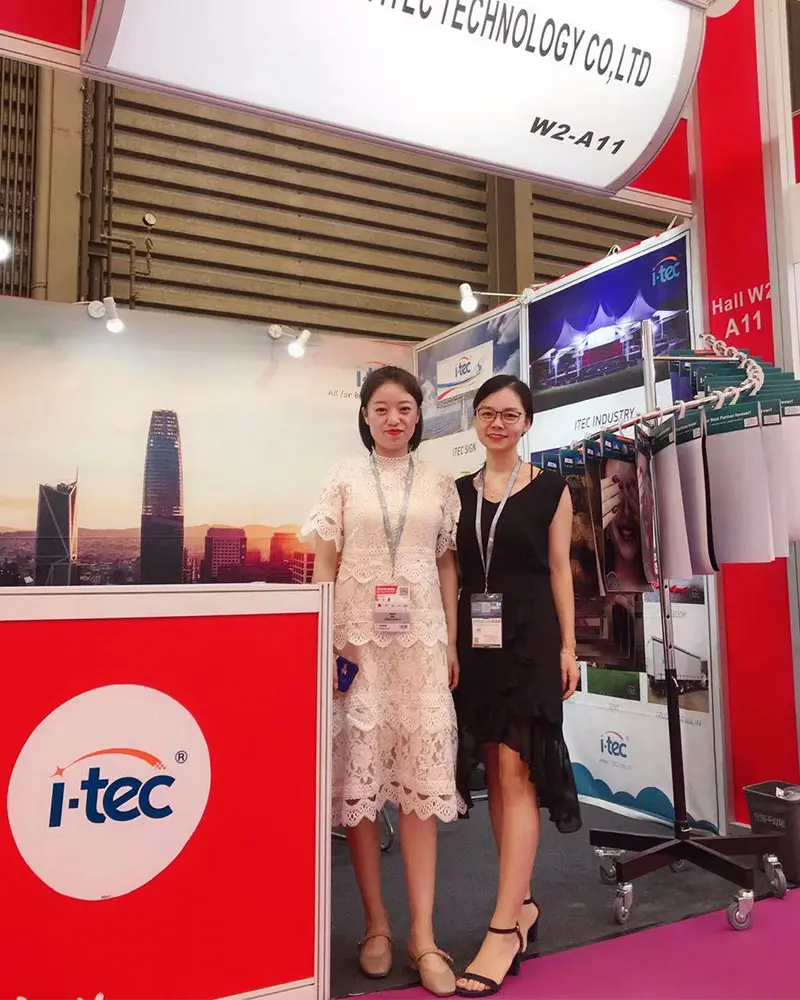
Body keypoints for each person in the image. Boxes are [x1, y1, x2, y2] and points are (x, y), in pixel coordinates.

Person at [304, 365, 464, 998]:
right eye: (381, 409)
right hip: (357, 645)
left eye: (404, 408)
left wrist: (451, 639)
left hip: (420, 645)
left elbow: (446, 563)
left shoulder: (439, 481)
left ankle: (424, 935)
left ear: (419, 415)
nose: (393, 419)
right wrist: (327, 643)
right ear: (365, 416)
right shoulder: (344, 477)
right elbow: (324, 565)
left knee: (420, 786)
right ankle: (376, 925)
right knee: (362, 785)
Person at [453, 374, 582, 998]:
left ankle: (503, 929)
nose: (497, 423)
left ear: (527, 422)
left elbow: (560, 570)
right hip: (476, 644)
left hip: (530, 640)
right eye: (487, 413)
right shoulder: (459, 493)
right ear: (476, 422)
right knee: (495, 774)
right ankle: (522, 903)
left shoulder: (553, 488)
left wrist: (569, 647)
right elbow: (451, 569)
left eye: (509, 414)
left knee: (516, 772)